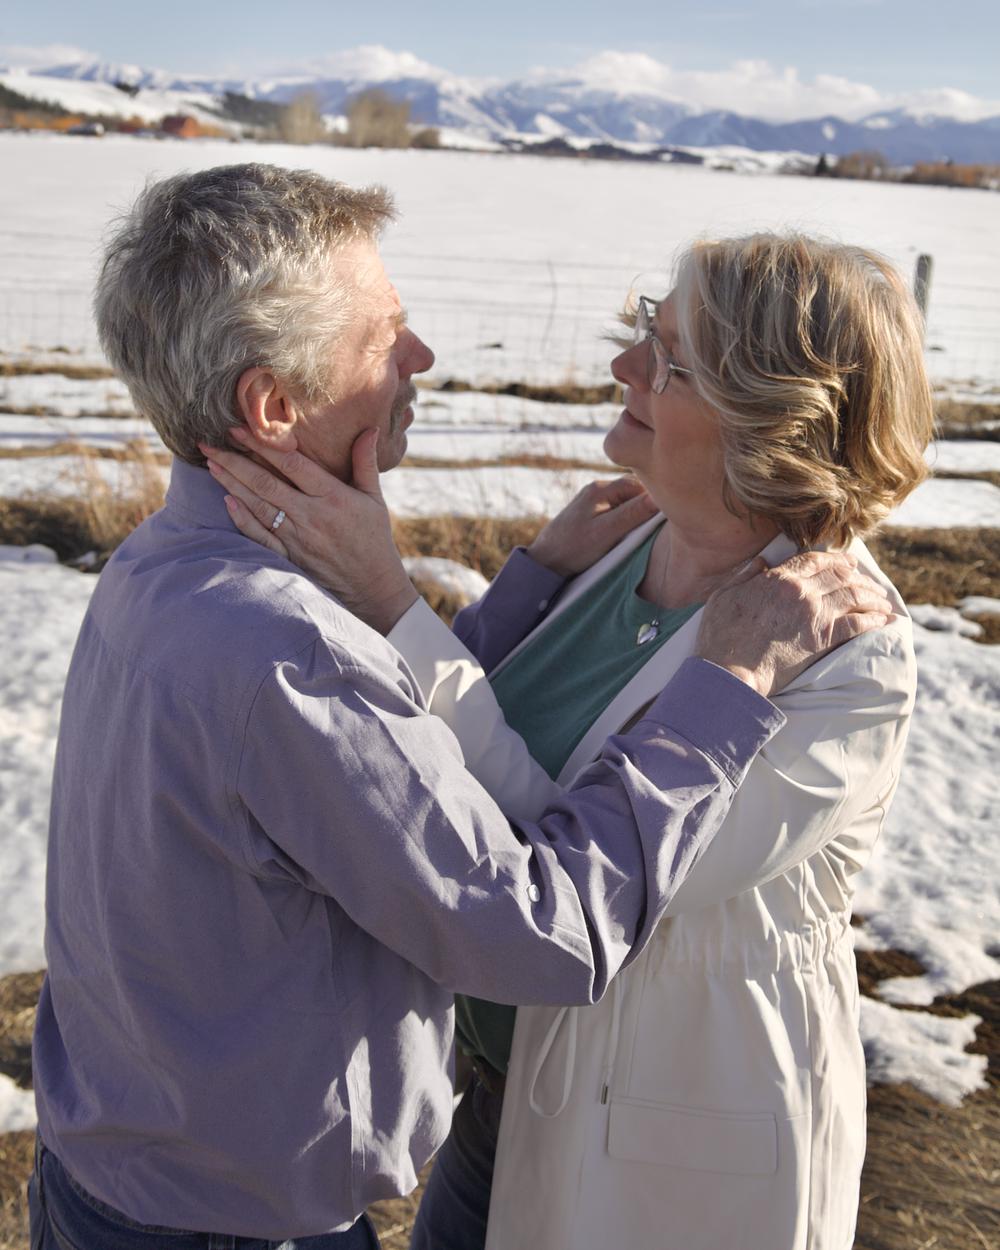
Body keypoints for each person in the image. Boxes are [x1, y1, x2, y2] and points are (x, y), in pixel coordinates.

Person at [29, 168, 891, 1250]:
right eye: (384, 336)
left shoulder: (166, 564)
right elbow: (544, 928)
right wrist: (722, 692)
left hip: (118, 1178)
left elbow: (381, 755)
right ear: (275, 408)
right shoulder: (290, 653)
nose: (422, 356)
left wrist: (522, 590)